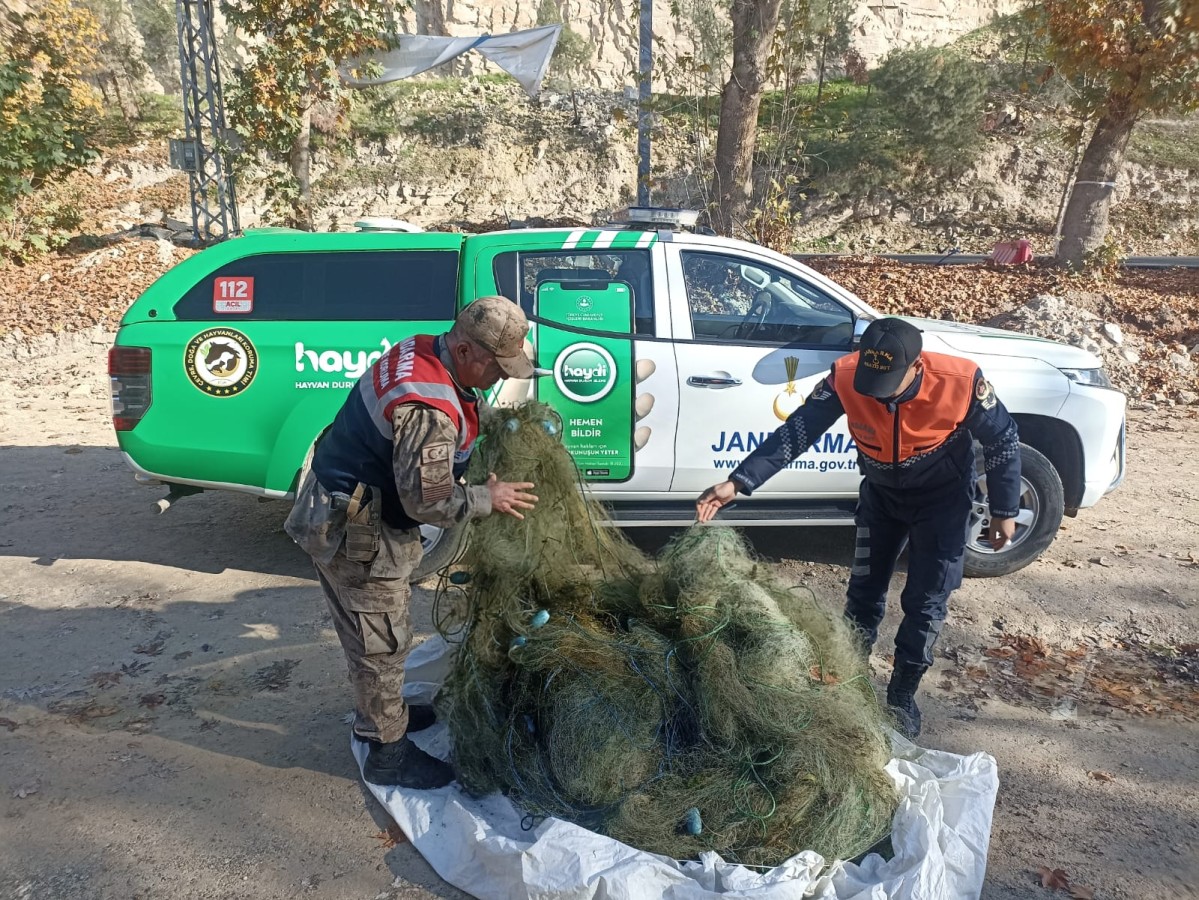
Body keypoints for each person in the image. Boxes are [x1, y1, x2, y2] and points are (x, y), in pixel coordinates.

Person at [695, 318, 1021, 739]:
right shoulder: (846, 376)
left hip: (941, 502)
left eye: (888, 381)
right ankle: (850, 678)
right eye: (872, 378)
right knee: (863, 594)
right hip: (882, 498)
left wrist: (1004, 510)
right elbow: (798, 431)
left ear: (917, 366)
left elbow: (1004, 440)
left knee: (926, 601)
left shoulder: (960, 380)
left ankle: (902, 694)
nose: (876, 390)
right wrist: (739, 481)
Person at [285, 296, 539, 788]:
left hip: (338, 498)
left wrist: (492, 426)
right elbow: (428, 502)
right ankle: (387, 751)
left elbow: (458, 407)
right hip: (357, 529)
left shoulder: (424, 349)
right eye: (497, 366)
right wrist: (487, 497)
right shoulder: (427, 410)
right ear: (465, 350)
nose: (502, 377)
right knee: (380, 642)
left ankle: (386, 715)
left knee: (370, 635)